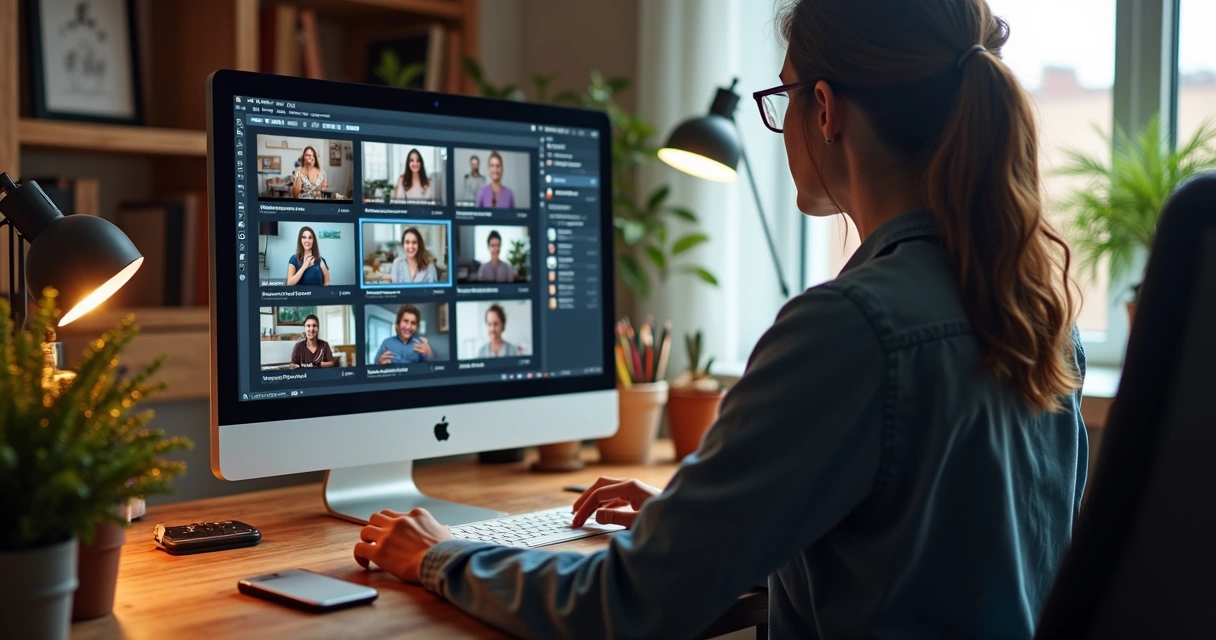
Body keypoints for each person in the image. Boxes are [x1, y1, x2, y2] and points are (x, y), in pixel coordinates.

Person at [351, 1, 1088, 638]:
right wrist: (702, 525)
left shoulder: (850, 327)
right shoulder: (1039, 317)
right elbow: (918, 571)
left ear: (825, 109)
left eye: (785, 99)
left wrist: (440, 554)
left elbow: (623, 608)